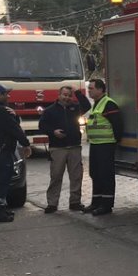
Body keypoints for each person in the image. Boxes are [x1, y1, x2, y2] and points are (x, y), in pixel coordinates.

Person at [38, 85, 91, 214]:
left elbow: (87, 105)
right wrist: (53, 132)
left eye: (69, 95)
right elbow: (42, 126)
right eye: (64, 95)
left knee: (76, 176)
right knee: (56, 176)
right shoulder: (50, 110)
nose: (67, 97)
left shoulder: (75, 108)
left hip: (74, 147)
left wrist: (78, 92)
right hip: (58, 148)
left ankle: (75, 202)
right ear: (59, 95)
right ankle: (52, 203)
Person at [0, 84, 32, 223]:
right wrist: (26, 144)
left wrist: (14, 116)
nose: (8, 96)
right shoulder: (0, 111)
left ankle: (2, 208)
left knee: (3, 180)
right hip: (3, 152)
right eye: (6, 94)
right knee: (1, 181)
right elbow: (14, 129)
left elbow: (11, 125)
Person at [84, 78, 123, 216]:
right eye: (88, 88)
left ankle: (106, 205)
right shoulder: (96, 104)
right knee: (95, 173)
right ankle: (96, 202)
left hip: (106, 145)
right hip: (95, 144)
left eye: (91, 88)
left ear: (100, 89)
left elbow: (117, 125)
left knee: (106, 175)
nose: (89, 90)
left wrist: (114, 141)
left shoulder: (109, 104)